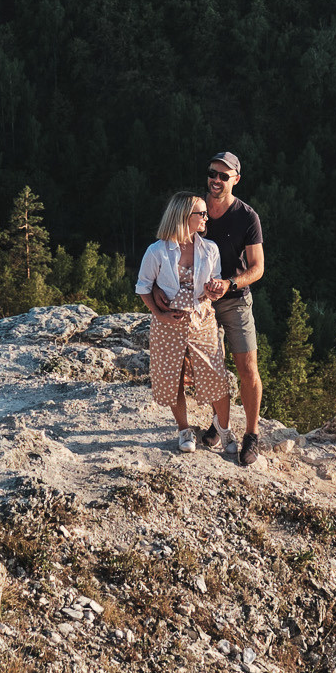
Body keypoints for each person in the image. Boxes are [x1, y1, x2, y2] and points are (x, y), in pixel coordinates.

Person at [135, 191, 233, 453]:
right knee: (172, 376)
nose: (205, 217)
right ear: (183, 217)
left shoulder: (209, 248)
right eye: (200, 213)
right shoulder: (156, 251)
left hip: (202, 319)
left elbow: (216, 281)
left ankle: (225, 430)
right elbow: (143, 286)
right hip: (168, 323)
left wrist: (214, 289)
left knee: (216, 375)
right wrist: (160, 314)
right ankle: (183, 430)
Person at [199, 150, 267, 465]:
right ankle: (219, 424)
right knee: (211, 369)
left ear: (236, 180)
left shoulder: (246, 217)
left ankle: (251, 435)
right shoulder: (195, 209)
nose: (216, 180)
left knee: (247, 369)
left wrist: (230, 284)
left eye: (223, 176)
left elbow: (257, 267)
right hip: (201, 302)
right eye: (213, 173)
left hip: (236, 299)